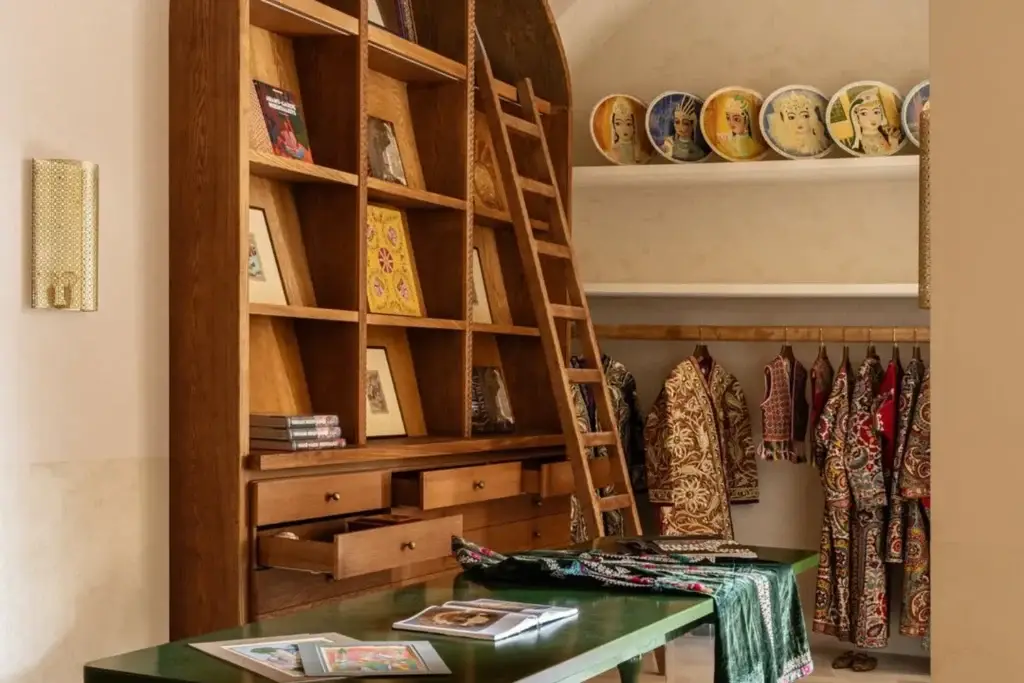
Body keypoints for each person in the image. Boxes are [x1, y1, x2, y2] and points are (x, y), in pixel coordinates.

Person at [767, 91, 829, 157]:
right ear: (782, 120)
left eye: (805, 116)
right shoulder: (785, 146)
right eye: (791, 117)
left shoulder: (821, 143)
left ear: (815, 117)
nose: (799, 123)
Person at [848, 87, 903, 155]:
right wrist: (894, 144)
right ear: (856, 118)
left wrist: (893, 141)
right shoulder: (864, 141)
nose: (872, 118)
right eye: (864, 113)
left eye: (876, 112)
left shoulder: (883, 133)